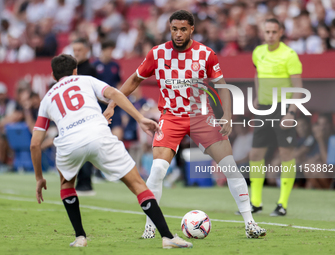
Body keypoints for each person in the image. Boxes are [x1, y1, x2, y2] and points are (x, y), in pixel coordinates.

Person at [104, 10, 266, 239]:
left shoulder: (206, 54)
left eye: (182, 29)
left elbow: (222, 85)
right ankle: (150, 226)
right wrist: (112, 104)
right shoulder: (157, 53)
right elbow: (134, 79)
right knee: (158, 170)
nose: (178, 34)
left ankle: (250, 224)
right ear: (169, 29)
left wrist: (227, 114)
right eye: (174, 29)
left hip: (202, 117)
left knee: (230, 167)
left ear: (191, 29)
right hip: (170, 118)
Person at [30, 54, 193, 249]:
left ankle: (80, 237)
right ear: (75, 71)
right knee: (137, 184)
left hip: (68, 142)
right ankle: (167, 237)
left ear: (53, 75)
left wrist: (39, 177)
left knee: (66, 183)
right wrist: (140, 119)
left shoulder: (47, 98)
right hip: (99, 135)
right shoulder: (86, 80)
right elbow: (115, 93)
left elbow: (35, 144)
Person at [248, 18, 303, 216]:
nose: (270, 35)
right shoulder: (258, 52)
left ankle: (282, 204)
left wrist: (291, 112)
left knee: (286, 154)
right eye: (267, 32)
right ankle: (255, 202)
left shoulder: (289, 55)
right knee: (255, 154)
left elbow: (298, 88)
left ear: (281, 33)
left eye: (274, 32)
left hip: (283, 108)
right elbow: (257, 74)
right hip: (264, 108)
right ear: (263, 33)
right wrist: (257, 96)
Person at [72, 38, 97, 195]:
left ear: (87, 51)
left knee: (85, 148)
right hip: (75, 115)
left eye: (79, 50)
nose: (76, 53)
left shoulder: (89, 70)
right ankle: (80, 181)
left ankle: (85, 183)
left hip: (86, 114)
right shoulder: (74, 69)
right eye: (74, 50)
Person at [92, 40, 123, 140]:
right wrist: (103, 99)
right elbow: (92, 87)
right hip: (99, 105)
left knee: (117, 132)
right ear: (103, 51)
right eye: (108, 51)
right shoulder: (94, 66)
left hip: (114, 104)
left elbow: (118, 83)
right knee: (100, 133)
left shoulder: (115, 66)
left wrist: (116, 98)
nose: (110, 53)